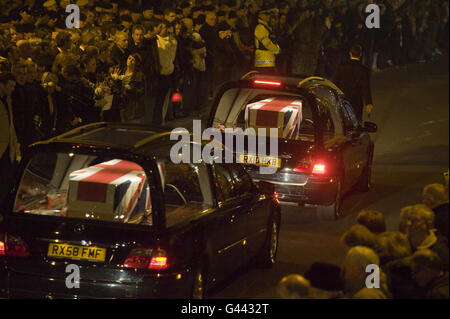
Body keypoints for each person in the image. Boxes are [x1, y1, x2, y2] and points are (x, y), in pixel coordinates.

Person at [332, 44, 373, 122]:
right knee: (356, 121)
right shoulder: (364, 70)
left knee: (343, 121)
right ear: (360, 54)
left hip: (343, 99)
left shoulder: (341, 67)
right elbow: (366, 88)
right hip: (357, 101)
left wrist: (335, 99)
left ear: (350, 53)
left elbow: (335, 84)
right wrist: (368, 103)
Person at [402, 204, 449, 270]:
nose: (408, 224)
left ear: (428, 224)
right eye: (408, 219)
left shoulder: (440, 251)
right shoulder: (403, 247)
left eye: (415, 220)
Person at [0, 72, 20, 207]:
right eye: (10, 86)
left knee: (5, 179)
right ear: (2, 85)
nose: (13, 89)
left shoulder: (7, 100)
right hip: (2, 146)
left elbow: (10, 125)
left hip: (6, 146)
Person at [253, 6, 280, 73]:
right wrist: (276, 49)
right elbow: (267, 43)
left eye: (269, 14)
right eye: (266, 14)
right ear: (260, 15)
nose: (268, 16)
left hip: (267, 60)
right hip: (263, 61)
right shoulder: (260, 27)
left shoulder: (266, 27)